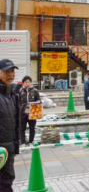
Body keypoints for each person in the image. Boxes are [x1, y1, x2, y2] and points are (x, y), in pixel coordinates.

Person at [0, 59, 20, 192]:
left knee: (7, 182)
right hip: (1, 150)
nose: (11, 74)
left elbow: (16, 124)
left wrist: (16, 147)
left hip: (9, 149)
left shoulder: (12, 94)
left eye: (12, 71)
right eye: (7, 71)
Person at [19, 76, 41, 146]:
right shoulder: (20, 91)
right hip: (22, 113)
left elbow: (39, 100)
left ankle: (31, 141)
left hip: (32, 113)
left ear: (31, 82)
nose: (27, 83)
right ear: (23, 83)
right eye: (26, 82)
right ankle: (23, 142)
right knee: (22, 128)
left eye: (28, 82)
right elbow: (18, 101)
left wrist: (37, 103)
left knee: (32, 128)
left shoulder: (35, 91)